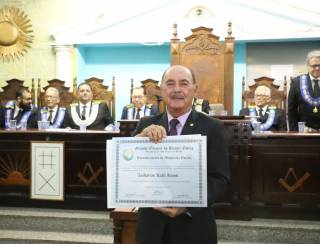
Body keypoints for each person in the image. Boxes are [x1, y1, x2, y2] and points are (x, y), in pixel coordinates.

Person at [133, 65, 230, 244]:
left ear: (195, 89)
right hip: (151, 228)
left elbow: (219, 179)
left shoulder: (213, 127)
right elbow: (129, 167)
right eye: (170, 84)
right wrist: (139, 139)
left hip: (194, 227)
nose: (177, 89)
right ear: (162, 90)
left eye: (184, 84)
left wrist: (187, 206)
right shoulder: (145, 124)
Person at [288, 49, 320, 131]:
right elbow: (292, 110)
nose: (317, 68)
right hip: (305, 131)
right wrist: (294, 132)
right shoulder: (297, 82)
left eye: (319, 65)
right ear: (307, 66)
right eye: (314, 65)